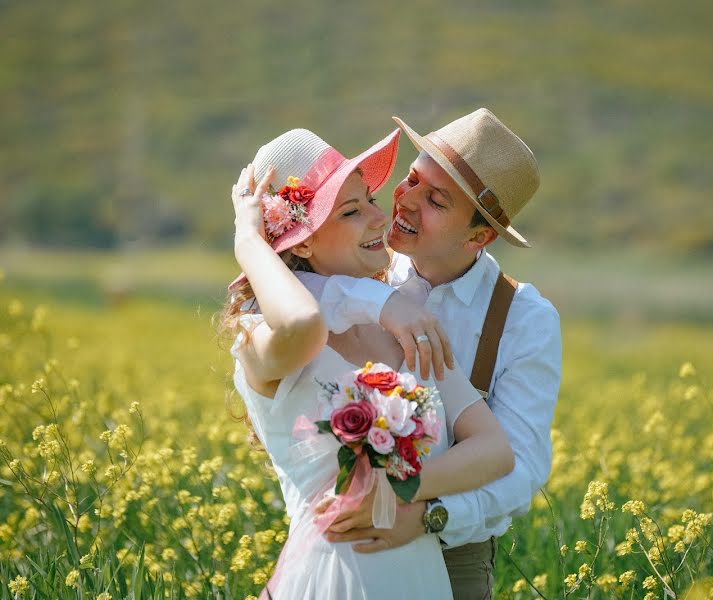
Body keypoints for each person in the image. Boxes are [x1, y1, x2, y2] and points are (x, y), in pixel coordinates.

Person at [222, 126, 516, 599]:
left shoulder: (405, 327)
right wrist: (249, 242)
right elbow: (304, 323)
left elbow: (494, 451)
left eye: (372, 200)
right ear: (301, 243)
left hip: (419, 581)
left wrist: (399, 488)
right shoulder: (260, 336)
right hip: (329, 581)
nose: (381, 219)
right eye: (352, 211)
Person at [295, 108, 562, 599]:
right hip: (342, 547)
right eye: (412, 179)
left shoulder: (525, 318)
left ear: (478, 236)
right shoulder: (363, 261)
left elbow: (522, 467)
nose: (406, 201)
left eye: (436, 199)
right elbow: (293, 271)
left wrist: (426, 516)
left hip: (452, 554)